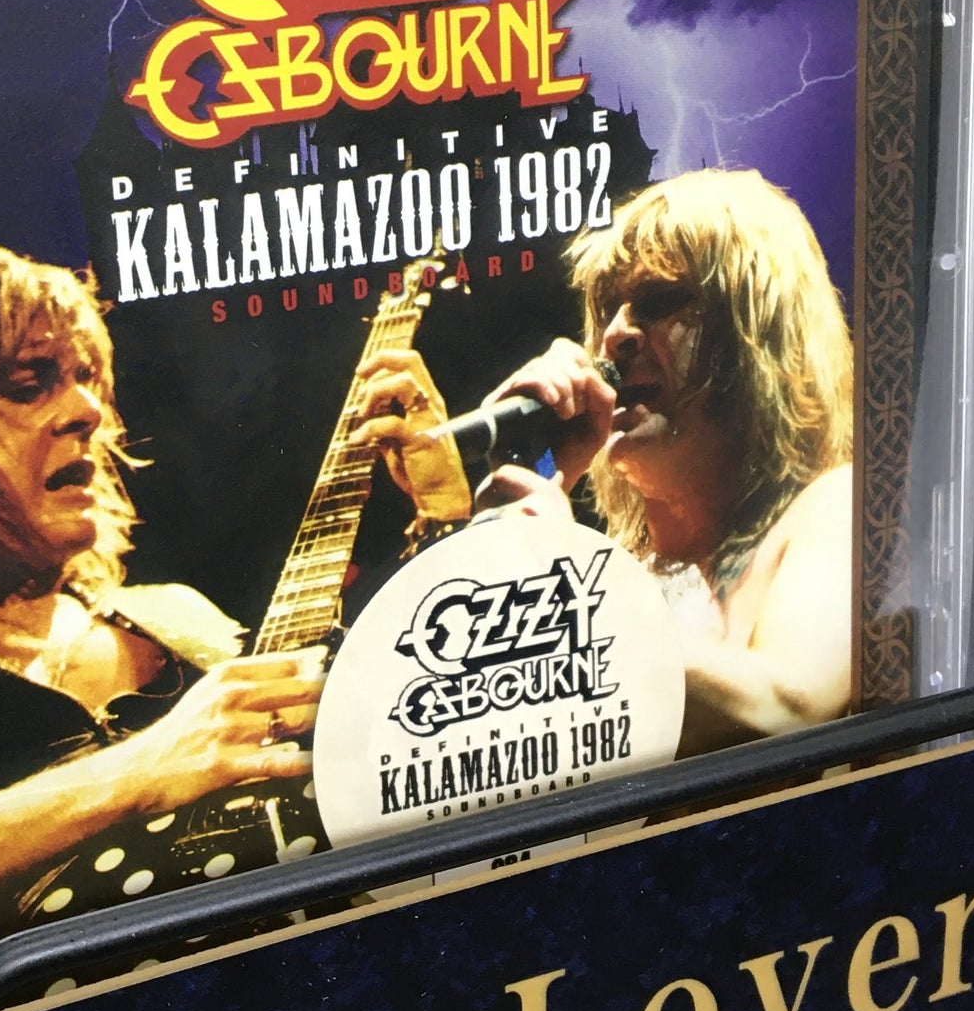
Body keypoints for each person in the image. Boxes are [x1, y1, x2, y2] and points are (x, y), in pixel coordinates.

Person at [0, 239, 322, 1011]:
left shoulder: (175, 618)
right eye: (30, 383)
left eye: (85, 377)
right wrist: (136, 772)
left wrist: (447, 523)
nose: (87, 411)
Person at [351, 167, 855, 755]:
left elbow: (790, 709)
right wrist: (530, 473)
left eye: (659, 301)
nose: (615, 335)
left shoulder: (835, 505)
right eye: (609, 310)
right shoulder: (625, 576)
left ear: (758, 333)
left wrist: (564, 578)